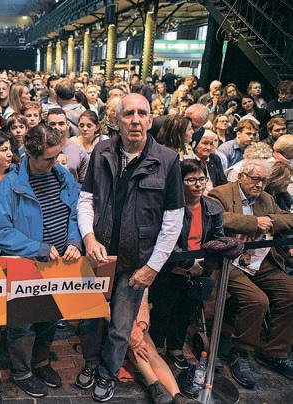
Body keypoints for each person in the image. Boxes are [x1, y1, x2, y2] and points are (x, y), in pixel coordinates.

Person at [77, 93, 184, 402]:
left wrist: (152, 268)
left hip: (137, 261)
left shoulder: (167, 160)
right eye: (128, 114)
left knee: (121, 327)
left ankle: (107, 373)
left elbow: (173, 219)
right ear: (116, 120)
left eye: (141, 113)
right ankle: (91, 363)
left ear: (150, 119)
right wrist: (89, 237)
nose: (135, 120)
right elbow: (86, 199)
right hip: (99, 256)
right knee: (89, 318)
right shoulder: (101, 152)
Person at [0, 125, 82, 398]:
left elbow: (75, 213)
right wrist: (36, 248)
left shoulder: (62, 175)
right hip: (26, 266)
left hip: (58, 264)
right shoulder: (11, 184)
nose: (55, 163)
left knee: (50, 316)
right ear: (29, 153)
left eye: (57, 156)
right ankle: (21, 371)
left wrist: (74, 241)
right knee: (23, 323)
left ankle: (40, 362)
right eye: (48, 159)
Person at [208, 159, 293, 388]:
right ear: (241, 177)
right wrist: (253, 223)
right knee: (257, 300)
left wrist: (270, 221)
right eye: (255, 179)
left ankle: (275, 352)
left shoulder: (266, 198)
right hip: (229, 262)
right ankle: (241, 351)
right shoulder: (221, 193)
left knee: (290, 292)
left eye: (264, 180)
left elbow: (288, 218)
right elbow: (219, 217)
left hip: (259, 260)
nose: (260, 184)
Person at [149, 159, 224, 370]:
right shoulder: (170, 206)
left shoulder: (213, 207)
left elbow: (217, 238)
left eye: (202, 179)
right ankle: (156, 348)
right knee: (162, 311)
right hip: (170, 267)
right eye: (191, 180)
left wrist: (205, 263)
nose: (198, 185)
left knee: (184, 312)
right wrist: (189, 262)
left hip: (199, 269)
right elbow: (163, 239)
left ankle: (175, 348)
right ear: (179, 182)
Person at [46, 108, 89, 183]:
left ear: (67, 125)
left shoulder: (79, 151)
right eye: (52, 124)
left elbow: (85, 183)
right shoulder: (39, 149)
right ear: (46, 125)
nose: (57, 127)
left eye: (61, 124)